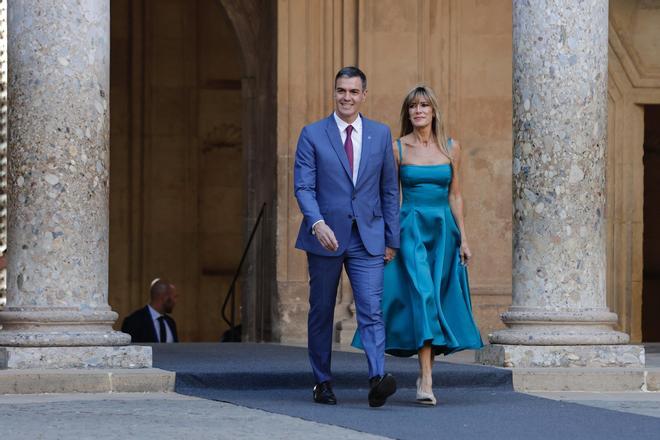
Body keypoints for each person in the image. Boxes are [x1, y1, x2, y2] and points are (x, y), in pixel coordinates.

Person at [353, 85, 483, 405]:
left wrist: (464, 237)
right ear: (407, 112)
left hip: (443, 231)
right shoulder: (397, 148)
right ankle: (426, 379)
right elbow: (390, 195)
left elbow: (455, 194)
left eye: (424, 105)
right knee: (423, 296)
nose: (418, 111)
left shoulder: (452, 147)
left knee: (435, 302)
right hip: (409, 228)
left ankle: (425, 372)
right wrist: (388, 238)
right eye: (413, 106)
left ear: (434, 110)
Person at [294, 66, 400, 407]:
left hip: (367, 237)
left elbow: (388, 190)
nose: (347, 97)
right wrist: (316, 222)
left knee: (371, 309)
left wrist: (391, 239)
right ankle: (322, 381)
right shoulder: (312, 134)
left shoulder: (381, 135)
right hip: (325, 237)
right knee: (322, 310)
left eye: (354, 92)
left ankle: (376, 378)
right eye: (341, 91)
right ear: (334, 92)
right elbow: (304, 186)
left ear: (364, 95)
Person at [121, 278, 179, 343]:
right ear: (164, 297)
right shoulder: (133, 321)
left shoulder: (170, 322)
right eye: (175, 297)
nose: (175, 301)